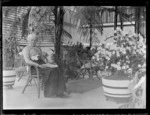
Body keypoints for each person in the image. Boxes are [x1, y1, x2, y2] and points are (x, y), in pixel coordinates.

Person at [22, 33, 69, 98]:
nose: (33, 41)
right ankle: (49, 93)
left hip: (42, 65)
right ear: (28, 40)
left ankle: (59, 92)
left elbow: (42, 58)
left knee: (57, 69)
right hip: (34, 67)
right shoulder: (26, 49)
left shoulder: (38, 48)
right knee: (51, 71)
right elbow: (27, 61)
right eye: (32, 40)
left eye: (35, 40)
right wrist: (37, 65)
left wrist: (48, 63)